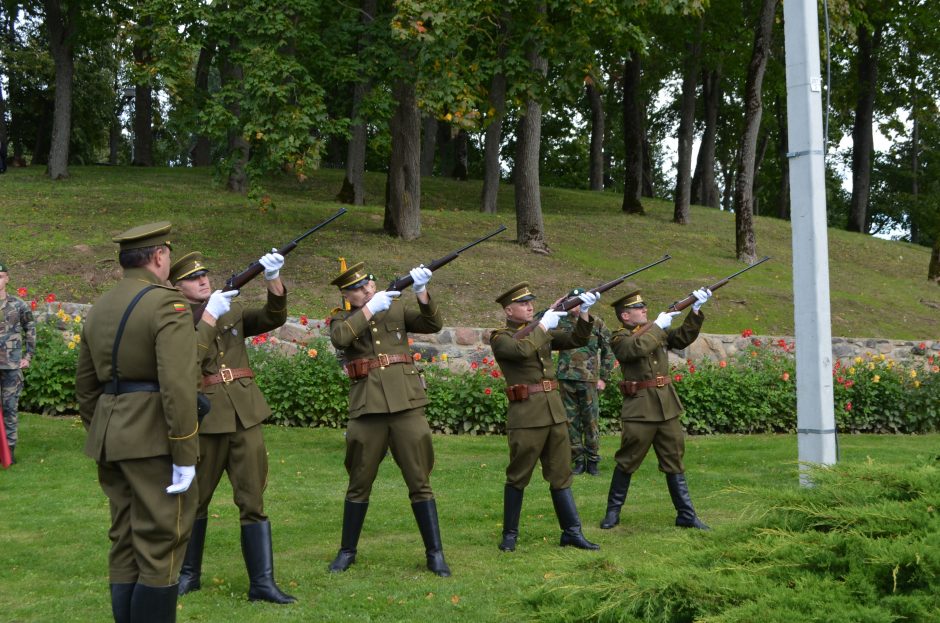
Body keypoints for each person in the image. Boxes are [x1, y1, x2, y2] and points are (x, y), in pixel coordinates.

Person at [75, 222, 200, 622]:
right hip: (154, 442)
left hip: (112, 438)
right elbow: (178, 387)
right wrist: (185, 451)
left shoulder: (101, 307)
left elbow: (86, 387)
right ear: (160, 256)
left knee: (125, 541)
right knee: (162, 541)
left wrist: (107, 430)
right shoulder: (168, 304)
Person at [168, 251, 296, 603]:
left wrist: (273, 280)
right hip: (206, 418)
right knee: (195, 501)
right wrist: (208, 316)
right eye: (193, 278)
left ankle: (262, 583)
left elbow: (273, 316)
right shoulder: (174, 318)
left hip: (244, 413)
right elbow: (187, 360)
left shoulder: (230, 308)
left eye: (205, 275)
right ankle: (188, 575)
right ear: (176, 287)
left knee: (253, 499)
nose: (203, 280)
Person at [327, 261, 451, 577]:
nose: (366, 291)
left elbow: (433, 324)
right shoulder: (342, 318)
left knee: (419, 480)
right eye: (356, 289)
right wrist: (369, 311)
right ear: (346, 295)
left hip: (406, 403)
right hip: (367, 408)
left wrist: (422, 292)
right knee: (359, 482)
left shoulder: (396, 311)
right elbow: (341, 338)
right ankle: (347, 551)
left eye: (368, 284)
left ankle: (435, 553)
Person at [489, 282, 601, 553]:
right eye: (523, 303)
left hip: (554, 412)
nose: (529, 306)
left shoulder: (540, 330)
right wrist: (543, 324)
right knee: (518, 475)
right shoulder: (501, 337)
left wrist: (583, 312)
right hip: (527, 415)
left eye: (531, 302)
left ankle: (572, 533)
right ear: (508, 309)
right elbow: (521, 351)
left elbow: (577, 339)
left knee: (561, 474)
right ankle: (510, 535)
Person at [600, 287, 712, 532]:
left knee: (674, 459)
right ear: (625, 316)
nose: (644, 309)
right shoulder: (619, 337)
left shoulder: (655, 330)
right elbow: (635, 349)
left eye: (644, 306)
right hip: (640, 407)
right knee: (628, 460)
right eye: (637, 308)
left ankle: (686, 514)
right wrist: (658, 326)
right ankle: (613, 512)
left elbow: (682, 338)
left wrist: (695, 310)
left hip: (666, 405)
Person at [555, 288, 615, 476]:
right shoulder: (559, 321)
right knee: (570, 422)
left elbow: (608, 350)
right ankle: (578, 460)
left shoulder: (596, 323)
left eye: (579, 301)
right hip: (566, 378)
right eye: (573, 300)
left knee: (591, 422)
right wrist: (555, 307)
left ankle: (593, 460)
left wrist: (604, 378)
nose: (576, 304)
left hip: (589, 380)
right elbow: (538, 329)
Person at [0, 261, 36, 465]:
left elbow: (30, 328)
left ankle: (9, 451)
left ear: (7, 279)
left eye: (1, 276)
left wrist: (28, 356)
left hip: (11, 366)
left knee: (10, 408)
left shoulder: (18, 305)